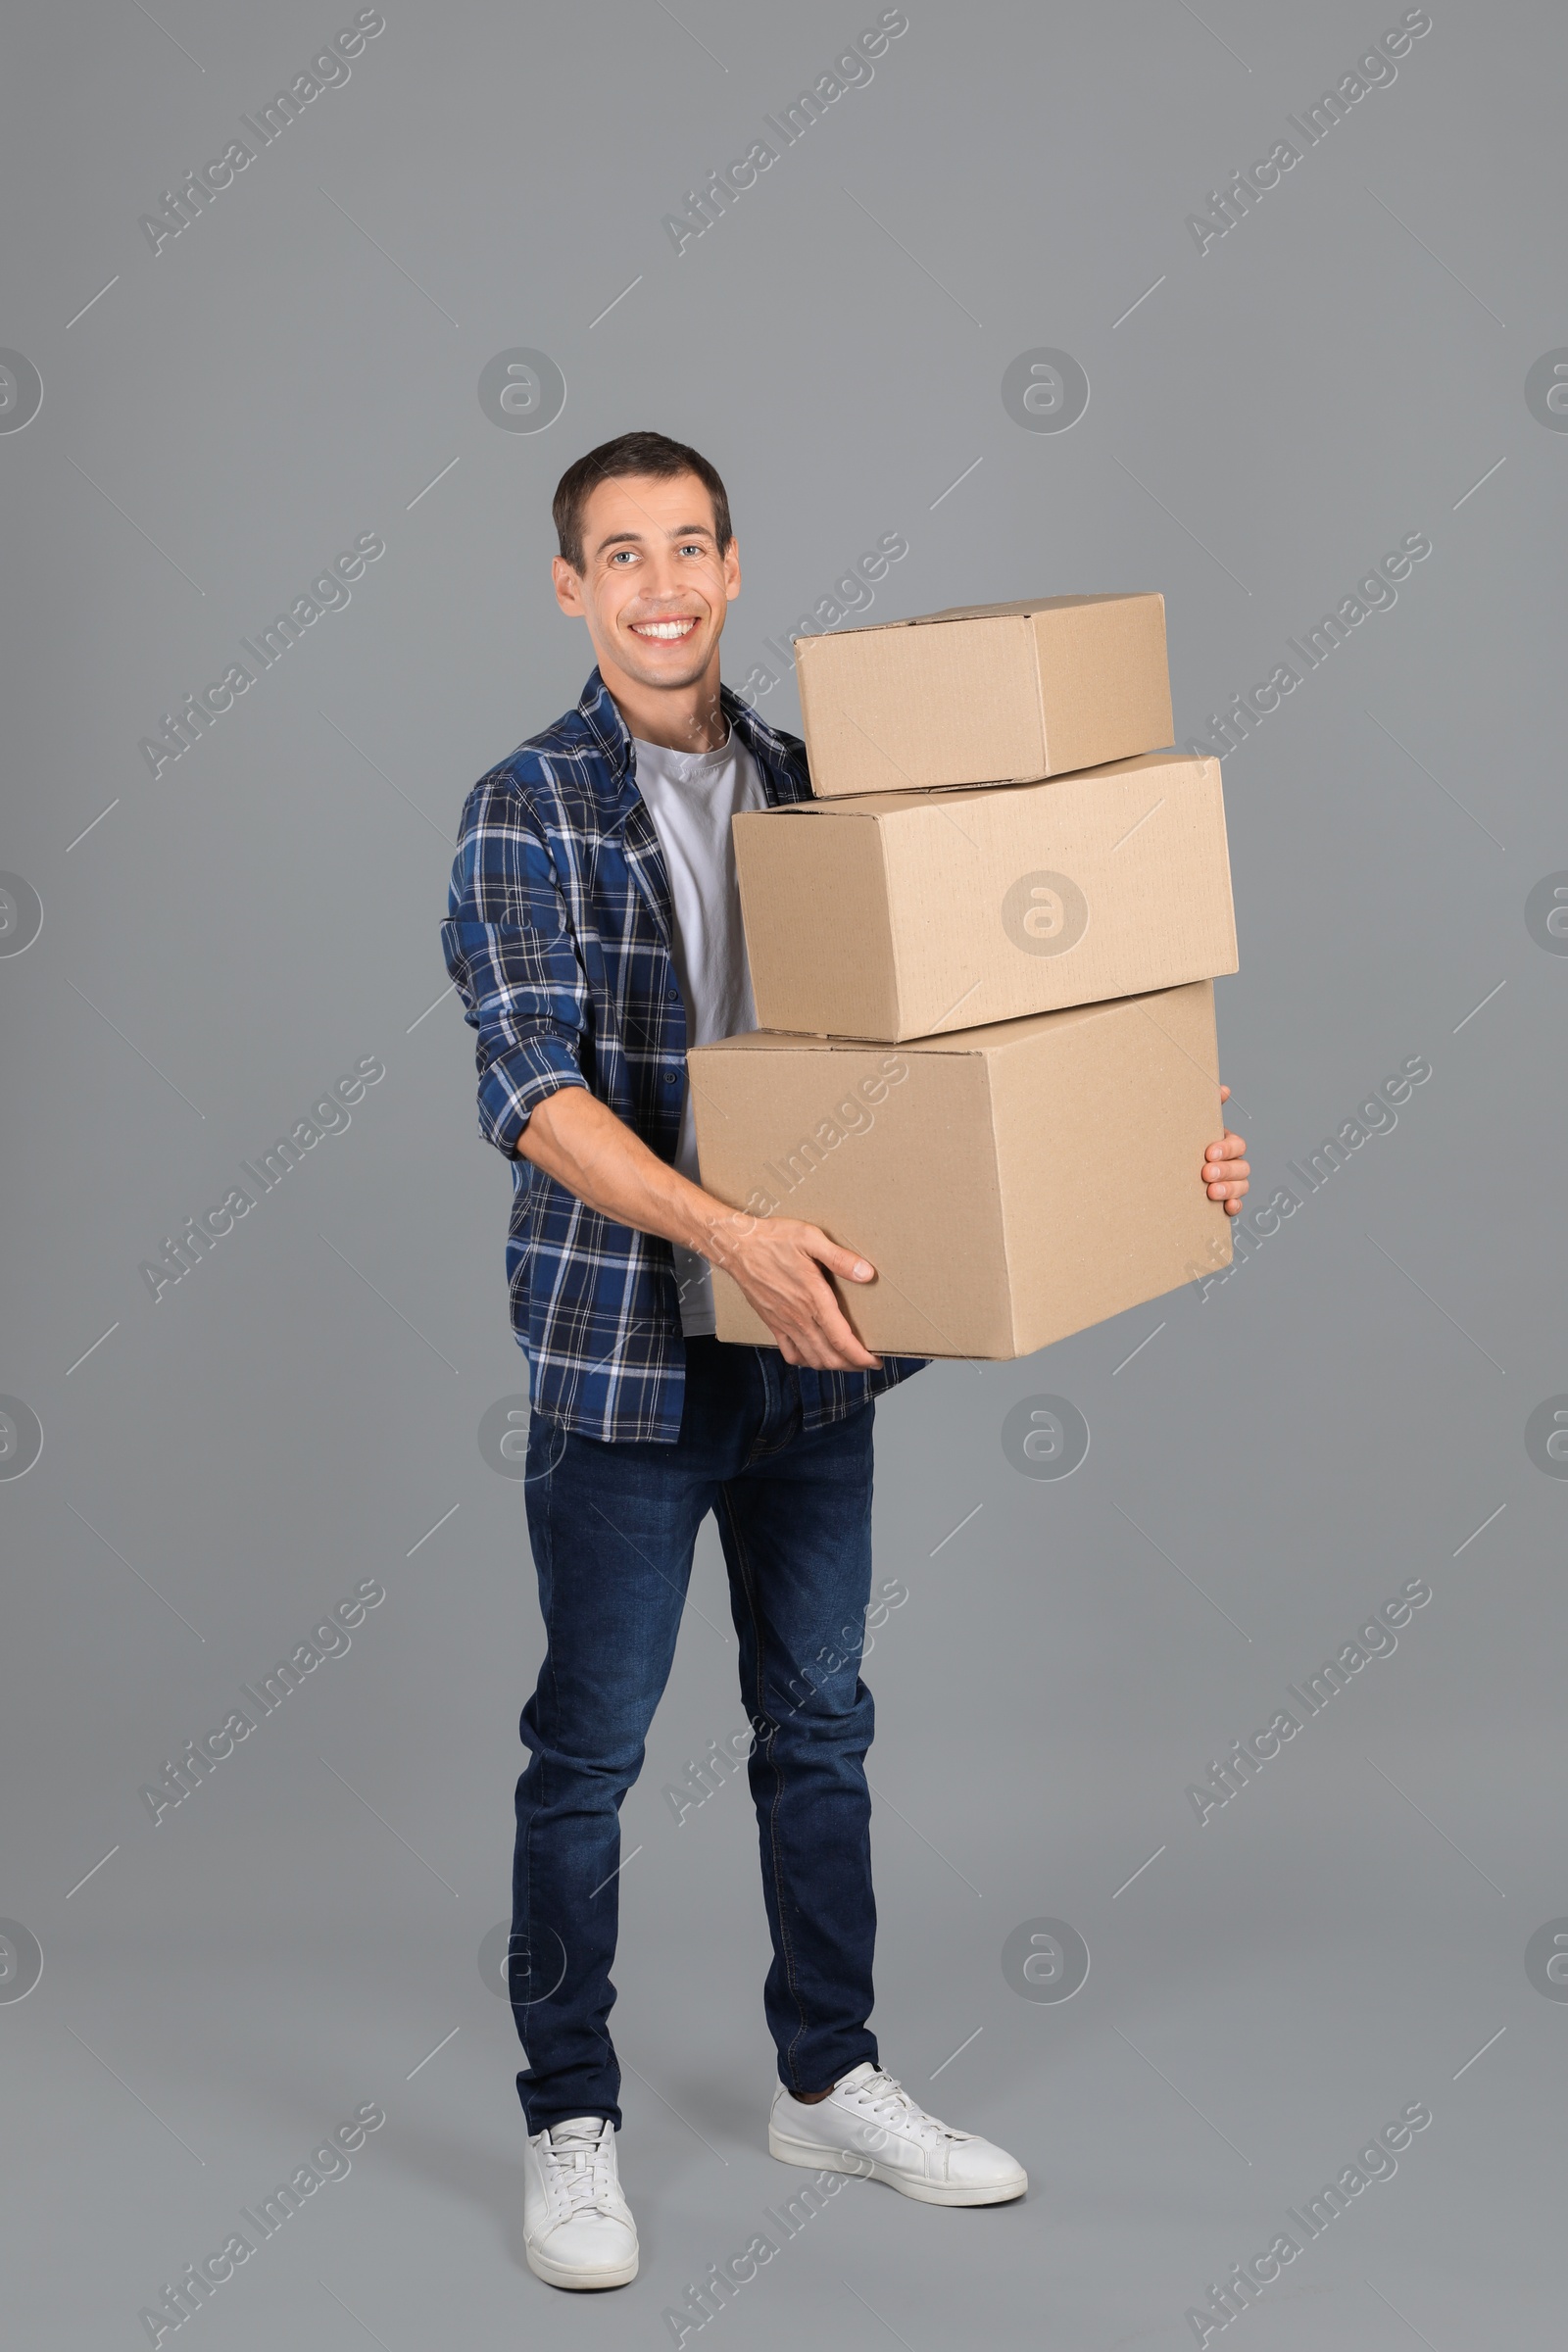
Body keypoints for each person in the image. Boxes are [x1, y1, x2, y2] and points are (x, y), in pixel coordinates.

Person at [440, 430, 1250, 2292]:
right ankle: (571, 2116)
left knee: (820, 1727)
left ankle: (833, 2075)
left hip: (812, 1352)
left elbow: (984, 1026)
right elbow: (532, 1090)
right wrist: (725, 1231)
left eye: (691, 548)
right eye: (621, 556)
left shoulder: (816, 786)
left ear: (734, 568)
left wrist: (1154, 1151)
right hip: (633, 1358)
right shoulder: (528, 803)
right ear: (571, 588)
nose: (661, 585)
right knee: (590, 1752)